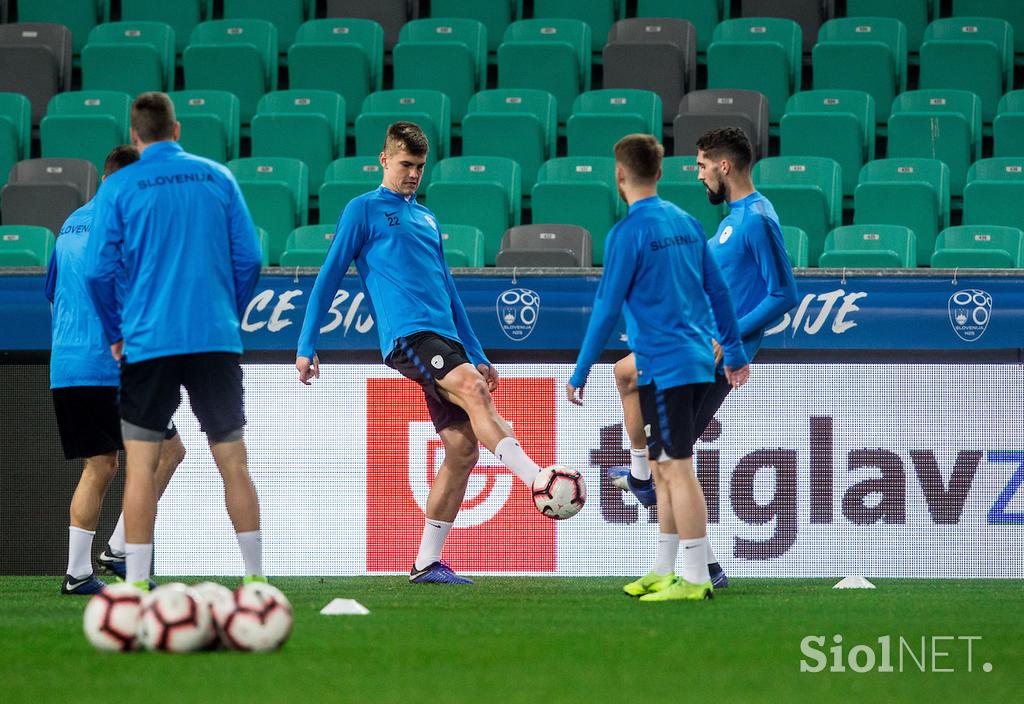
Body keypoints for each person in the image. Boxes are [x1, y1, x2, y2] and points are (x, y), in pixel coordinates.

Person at [295, 121, 566, 585]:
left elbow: (449, 289)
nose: (413, 174)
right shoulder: (362, 211)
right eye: (405, 164)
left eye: (420, 166)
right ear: (383, 160)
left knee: (462, 451)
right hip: (408, 336)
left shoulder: (427, 217)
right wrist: (305, 344)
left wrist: (477, 350)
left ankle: (425, 563)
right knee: (474, 390)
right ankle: (537, 479)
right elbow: (328, 277)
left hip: (445, 337)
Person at [608, 127, 799, 597]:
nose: (698, 176)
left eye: (700, 166)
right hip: (693, 341)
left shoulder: (757, 219)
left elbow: (784, 294)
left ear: (724, 166)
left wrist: (727, 336)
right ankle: (687, 564)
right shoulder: (735, 218)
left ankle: (689, 563)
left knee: (668, 455)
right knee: (665, 451)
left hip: (710, 355)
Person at [84, 92, 265, 590]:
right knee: (233, 462)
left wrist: (116, 333)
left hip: (148, 342)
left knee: (141, 468)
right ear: (177, 129)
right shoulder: (218, 177)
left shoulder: (122, 185)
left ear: (136, 135)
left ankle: (137, 586)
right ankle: (256, 583)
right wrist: (227, 312)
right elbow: (250, 260)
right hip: (214, 339)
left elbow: (98, 272)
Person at [567, 133, 750, 602]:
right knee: (665, 465)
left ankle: (694, 578)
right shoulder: (688, 222)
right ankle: (664, 569)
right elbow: (720, 292)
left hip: (665, 365)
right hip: (689, 360)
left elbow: (606, 310)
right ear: (661, 172)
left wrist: (581, 370)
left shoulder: (629, 233)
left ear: (620, 175)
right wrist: (733, 350)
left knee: (678, 468)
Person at [47, 145, 186, 595]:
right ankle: (120, 551)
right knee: (166, 453)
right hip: (116, 368)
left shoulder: (70, 223)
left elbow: (54, 295)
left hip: (67, 365)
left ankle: (79, 572)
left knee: (100, 465)